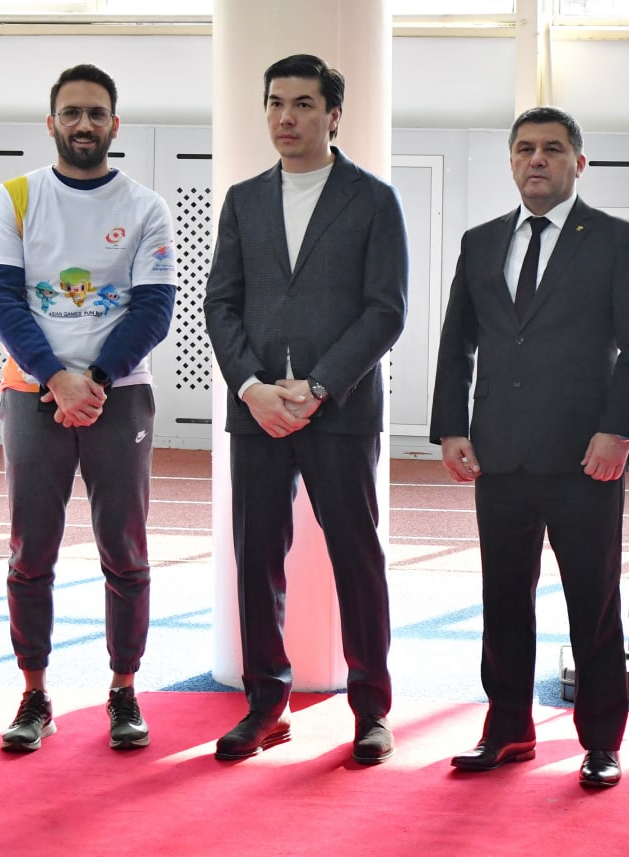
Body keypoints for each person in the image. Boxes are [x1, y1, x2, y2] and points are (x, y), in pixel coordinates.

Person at [430, 106, 629, 787]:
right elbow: (457, 341)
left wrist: (619, 431)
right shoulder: (480, 242)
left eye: (553, 149)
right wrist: (451, 427)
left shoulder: (616, 240)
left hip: (586, 456)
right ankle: (507, 727)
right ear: (511, 161)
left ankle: (601, 740)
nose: (538, 159)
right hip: (498, 454)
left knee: (593, 602)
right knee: (502, 597)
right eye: (525, 148)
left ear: (578, 163)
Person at [202, 54, 408, 765]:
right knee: (255, 558)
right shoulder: (243, 200)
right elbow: (221, 304)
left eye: (302, 104)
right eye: (275, 103)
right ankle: (266, 703)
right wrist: (251, 387)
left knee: (357, 558)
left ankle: (372, 709)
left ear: (333, 115)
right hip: (257, 412)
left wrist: (318, 387)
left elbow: (386, 311)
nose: (285, 117)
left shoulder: (373, 200)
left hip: (339, 410)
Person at [0, 64, 176, 753]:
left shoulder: (145, 206)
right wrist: (55, 378)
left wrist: (91, 379)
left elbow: (154, 309)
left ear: (114, 125)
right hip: (32, 394)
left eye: (96, 113)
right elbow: (3, 300)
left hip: (118, 396)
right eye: (71, 112)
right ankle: (34, 693)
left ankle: (123, 689)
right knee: (31, 549)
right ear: (52, 122)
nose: (84, 124)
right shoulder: (16, 197)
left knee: (124, 548)